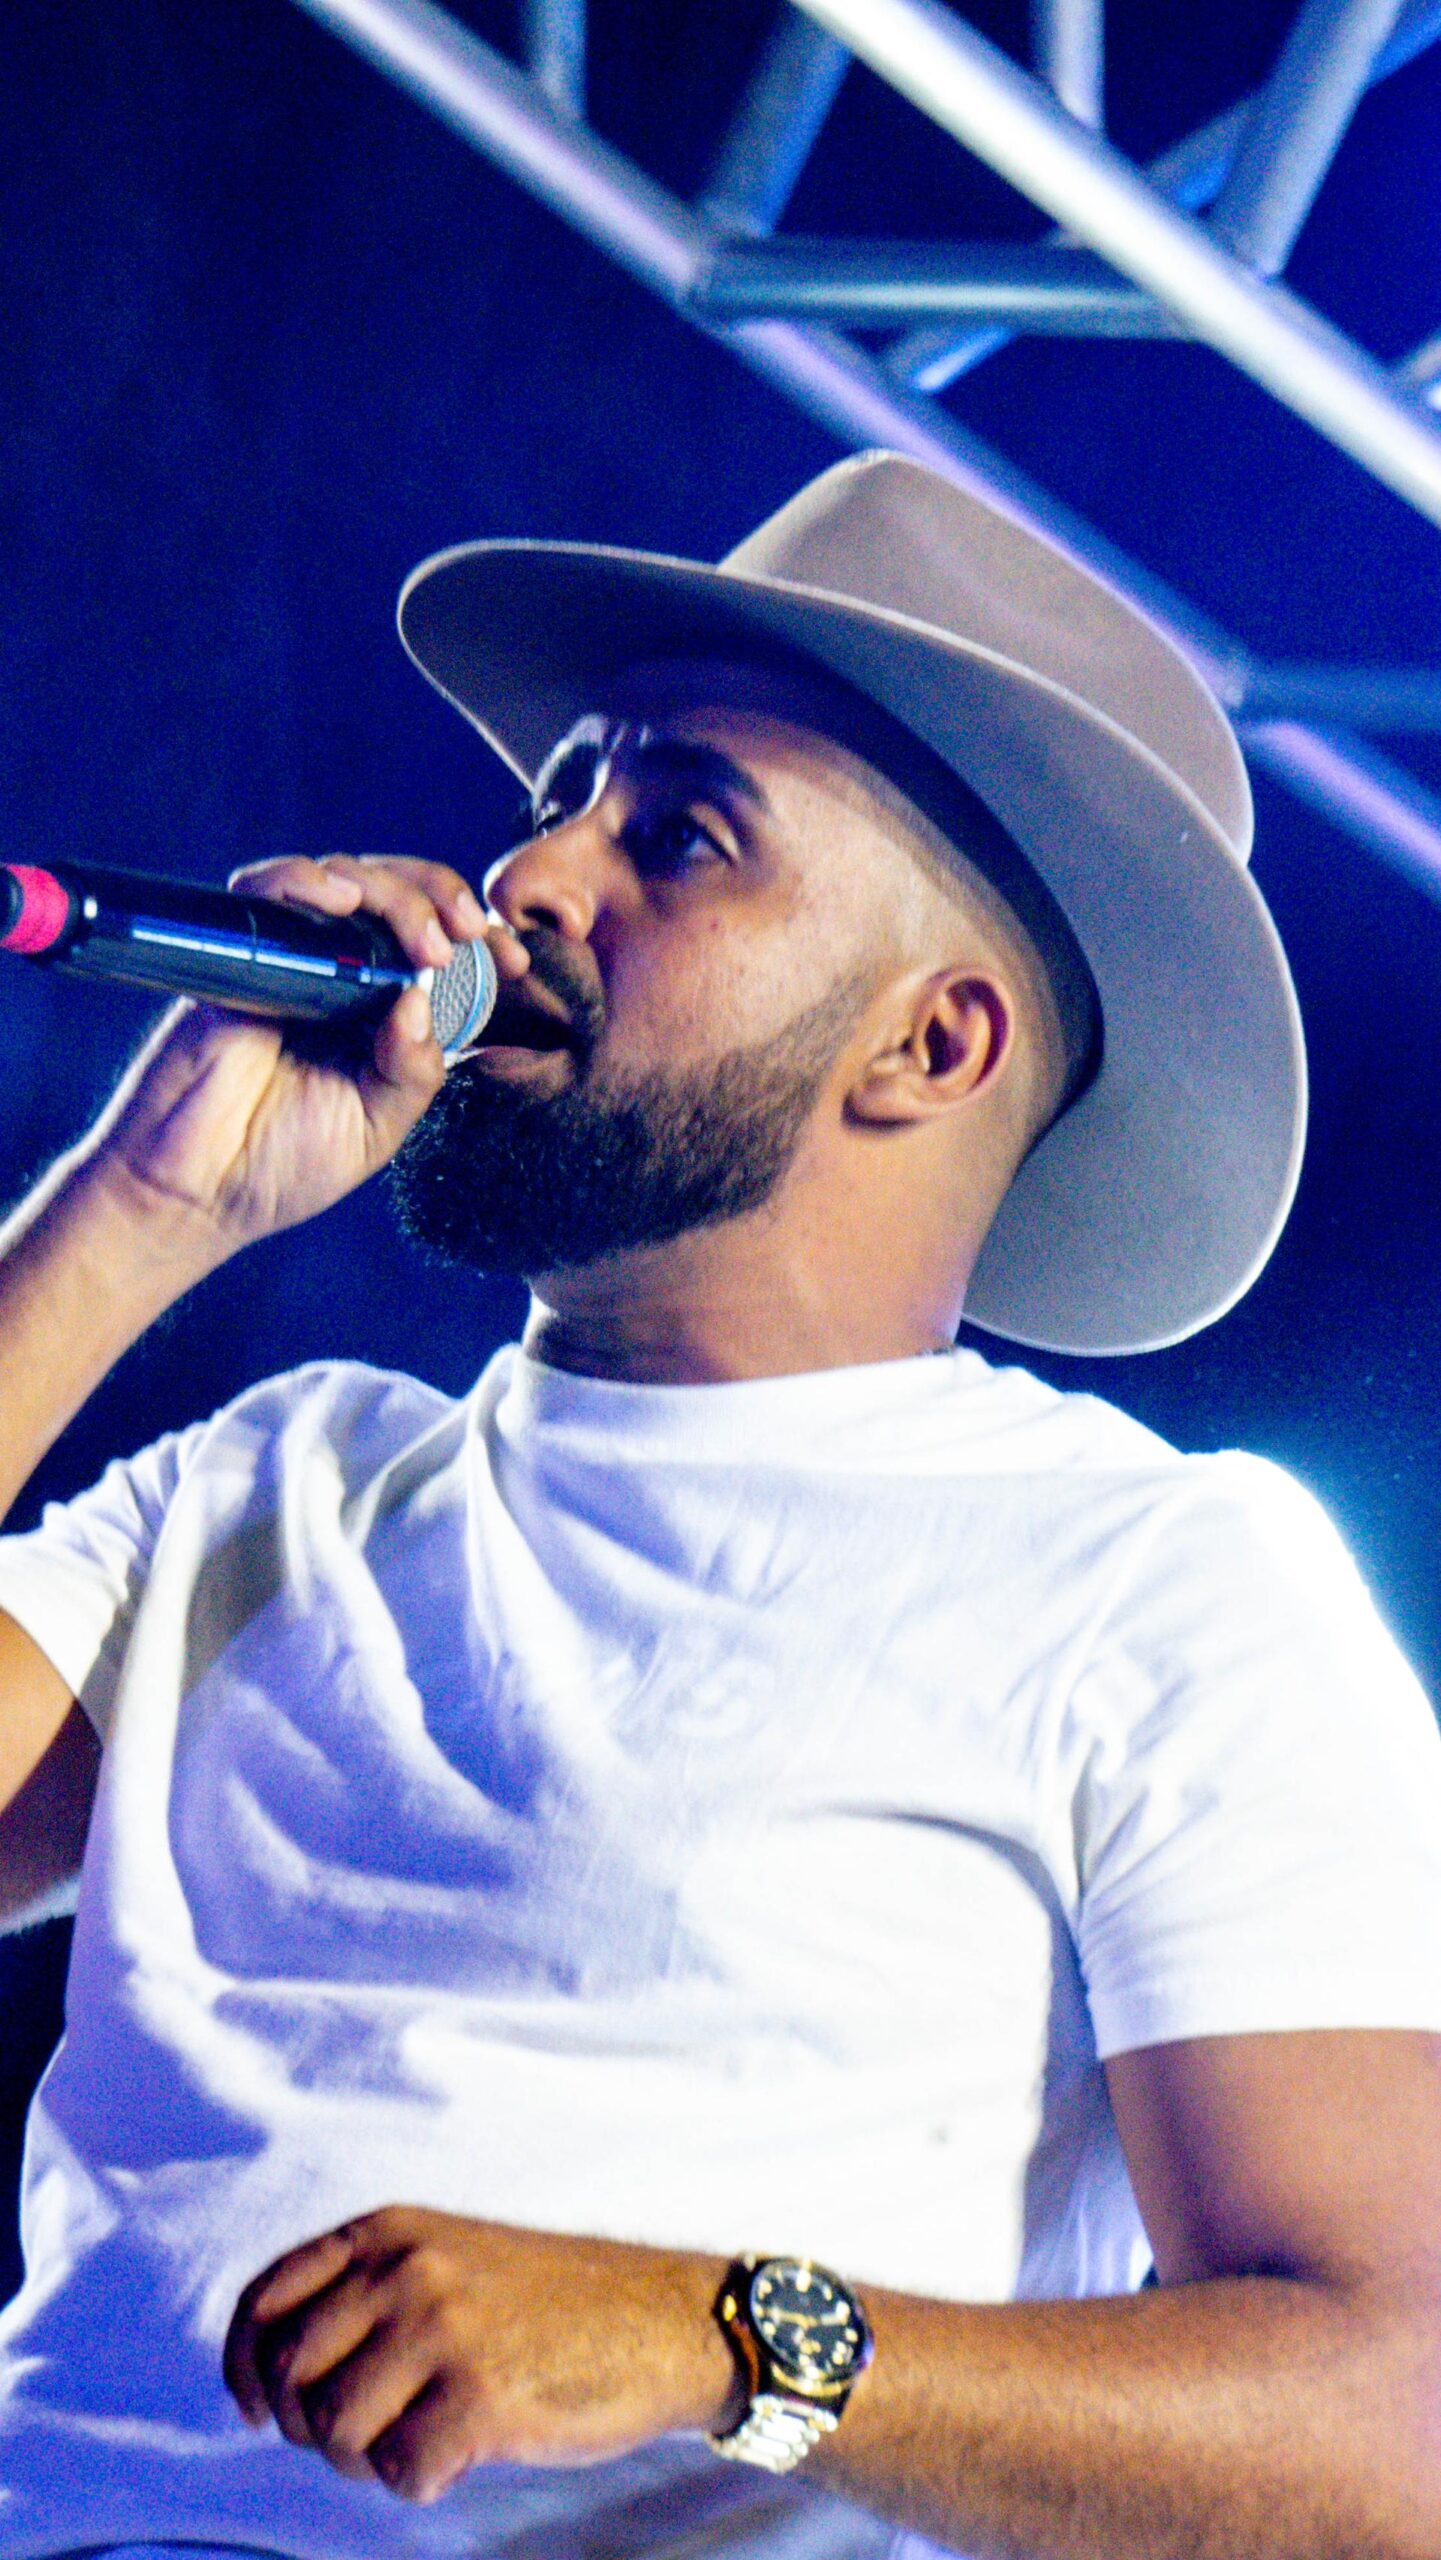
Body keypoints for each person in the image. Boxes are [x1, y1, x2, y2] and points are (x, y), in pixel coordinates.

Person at [0, 448, 1439, 2560]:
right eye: (558, 794)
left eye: (674, 832)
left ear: (928, 1045)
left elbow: (1396, 2422)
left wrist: (717, 2333)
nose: (527, 877)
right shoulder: (276, 1477)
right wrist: (136, 1213)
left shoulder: (1158, 1581)